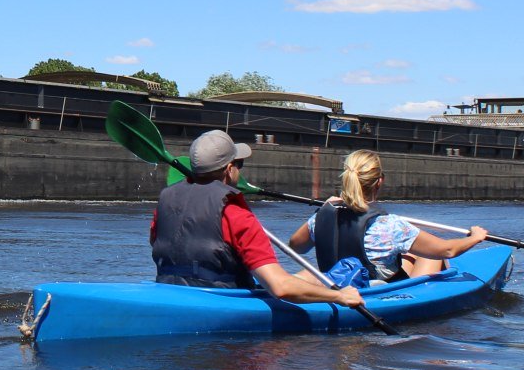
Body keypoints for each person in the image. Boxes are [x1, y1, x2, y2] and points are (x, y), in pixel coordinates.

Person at [151, 130, 365, 308]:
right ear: (228, 169)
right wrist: (339, 297)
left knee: (307, 276)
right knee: (341, 274)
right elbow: (280, 287)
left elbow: (161, 243)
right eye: (239, 164)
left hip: (170, 290)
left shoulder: (166, 200)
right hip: (224, 300)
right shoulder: (235, 213)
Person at [286, 149, 487, 284]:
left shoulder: (321, 216)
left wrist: (323, 209)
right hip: (375, 289)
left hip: (339, 281)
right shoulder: (390, 225)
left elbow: (296, 247)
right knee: (433, 255)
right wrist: (475, 237)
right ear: (379, 181)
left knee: (411, 253)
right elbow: (448, 250)